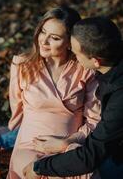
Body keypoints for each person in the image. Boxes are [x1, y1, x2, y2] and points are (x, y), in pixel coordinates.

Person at [23, 16, 123, 179]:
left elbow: (90, 156)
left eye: (76, 54)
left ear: (96, 61)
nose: (74, 57)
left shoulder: (118, 100)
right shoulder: (111, 63)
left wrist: (40, 167)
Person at [7, 6, 101, 179]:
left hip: (70, 144)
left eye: (55, 38)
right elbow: (17, 108)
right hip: (31, 145)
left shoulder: (85, 70)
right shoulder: (22, 65)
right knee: (37, 171)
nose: (44, 41)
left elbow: (94, 119)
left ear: (70, 43)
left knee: (82, 169)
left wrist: (70, 141)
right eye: (43, 32)